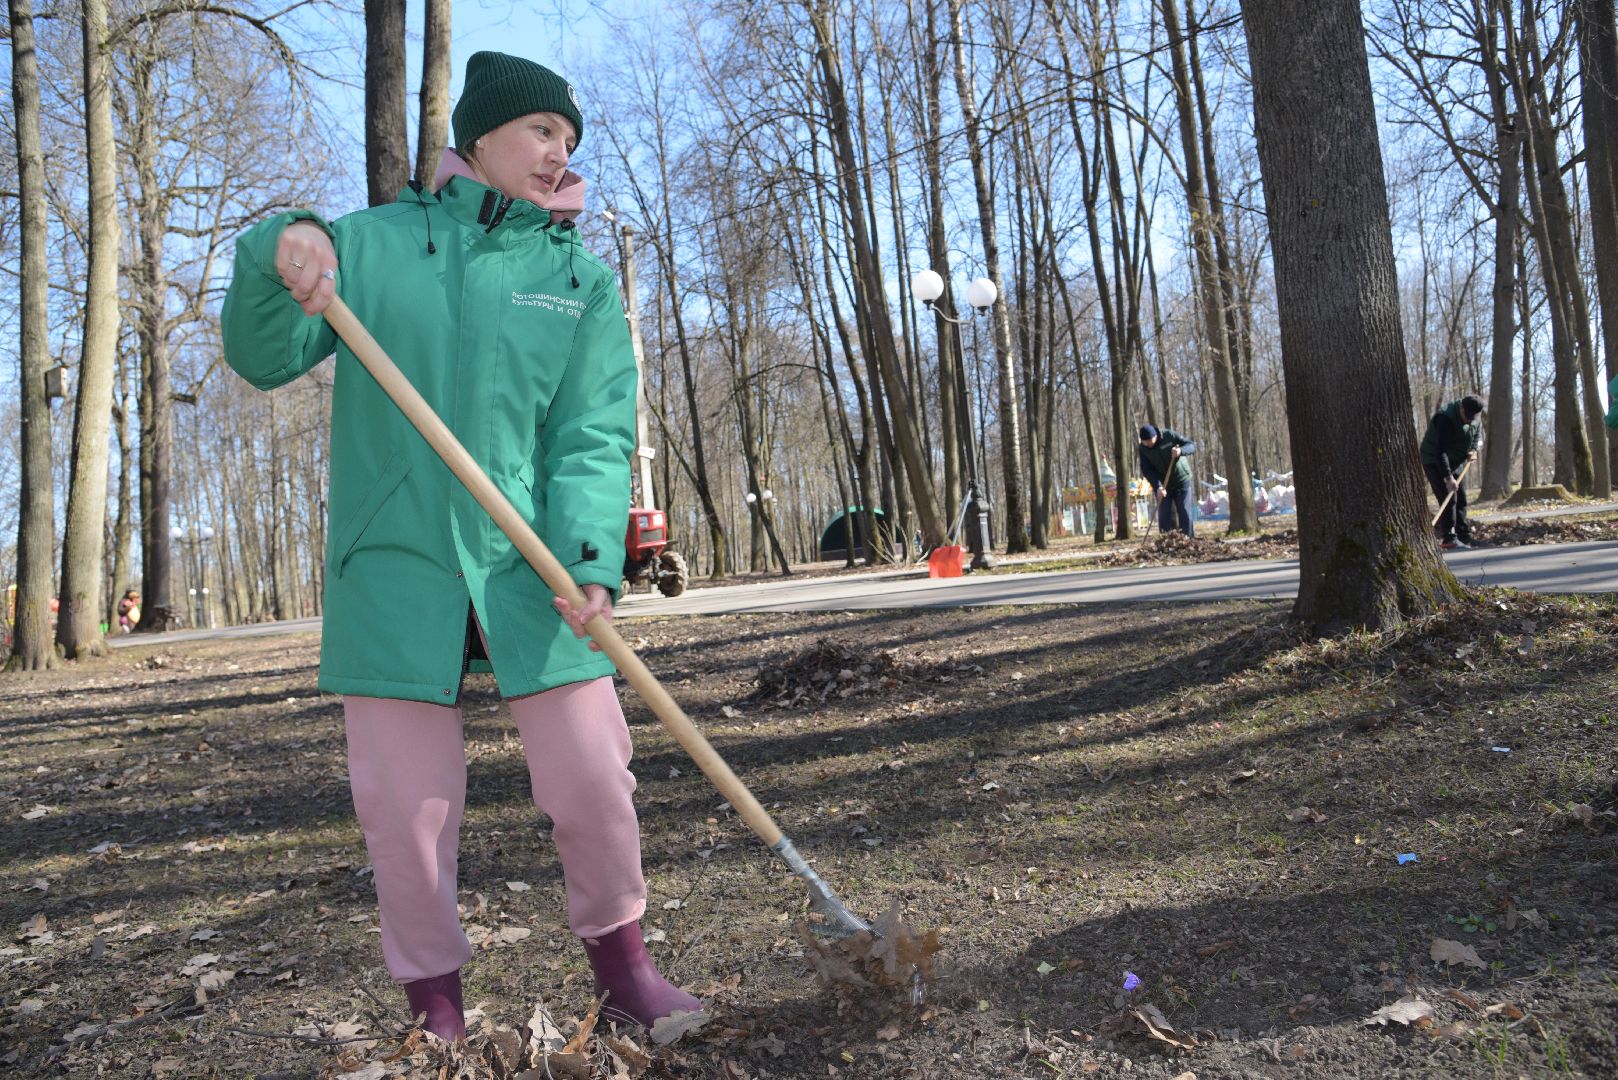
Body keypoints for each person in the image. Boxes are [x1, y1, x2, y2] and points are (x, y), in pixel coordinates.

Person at [220, 52, 701, 1042]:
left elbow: (592, 439)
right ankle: (434, 1013)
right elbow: (264, 354)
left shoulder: (577, 280)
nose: (557, 151)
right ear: (477, 135)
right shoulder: (374, 246)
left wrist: (589, 564)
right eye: (540, 130)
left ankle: (626, 973)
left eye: (568, 139)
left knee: (593, 778)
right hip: (396, 566)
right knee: (406, 811)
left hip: (533, 571)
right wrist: (280, 247)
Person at [1419, 394, 1483, 550]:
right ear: (1461, 407)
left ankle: (1464, 536)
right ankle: (1449, 538)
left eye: (1471, 417)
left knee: (1461, 498)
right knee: (1449, 497)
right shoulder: (1445, 418)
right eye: (1466, 415)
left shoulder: (1474, 419)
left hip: (1456, 459)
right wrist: (1448, 478)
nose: (1469, 419)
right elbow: (1439, 451)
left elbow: (1475, 435)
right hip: (1434, 459)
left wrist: (1473, 450)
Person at [1138, 424, 1197, 537]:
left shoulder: (1169, 435)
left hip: (1181, 479)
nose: (1148, 444)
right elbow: (1147, 470)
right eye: (1145, 442)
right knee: (1164, 514)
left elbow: (1192, 445)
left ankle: (1188, 540)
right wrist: (1158, 486)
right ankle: (1165, 541)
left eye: (1150, 440)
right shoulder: (1143, 449)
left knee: (1184, 511)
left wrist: (1181, 450)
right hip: (1163, 485)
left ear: (1155, 435)